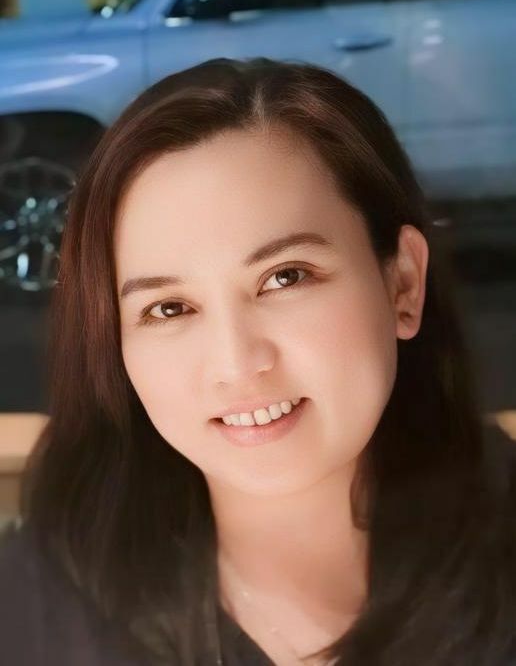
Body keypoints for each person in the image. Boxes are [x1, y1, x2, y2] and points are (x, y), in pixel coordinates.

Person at [1, 57, 515, 666]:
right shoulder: (34, 612)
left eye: (285, 277)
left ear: (402, 283)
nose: (237, 363)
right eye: (169, 309)